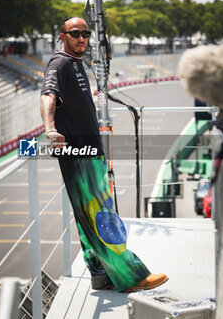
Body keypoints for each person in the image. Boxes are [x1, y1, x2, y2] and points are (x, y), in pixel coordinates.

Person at [40, 16, 168, 292]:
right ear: (62, 36)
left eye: (85, 33)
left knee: (88, 219)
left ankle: (101, 275)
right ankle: (133, 276)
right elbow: (48, 94)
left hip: (87, 152)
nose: (81, 38)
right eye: (75, 33)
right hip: (79, 153)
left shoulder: (75, 63)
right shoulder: (60, 63)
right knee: (103, 217)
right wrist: (49, 128)